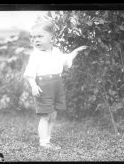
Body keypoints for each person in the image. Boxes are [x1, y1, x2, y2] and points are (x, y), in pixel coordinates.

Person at [24, 21, 87, 150]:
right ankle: (44, 142)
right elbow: (29, 74)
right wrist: (34, 86)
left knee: (53, 115)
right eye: (33, 37)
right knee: (45, 115)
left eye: (40, 36)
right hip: (44, 86)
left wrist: (75, 52)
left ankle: (48, 139)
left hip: (57, 85)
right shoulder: (35, 55)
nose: (36, 40)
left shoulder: (57, 52)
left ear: (51, 38)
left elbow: (66, 60)